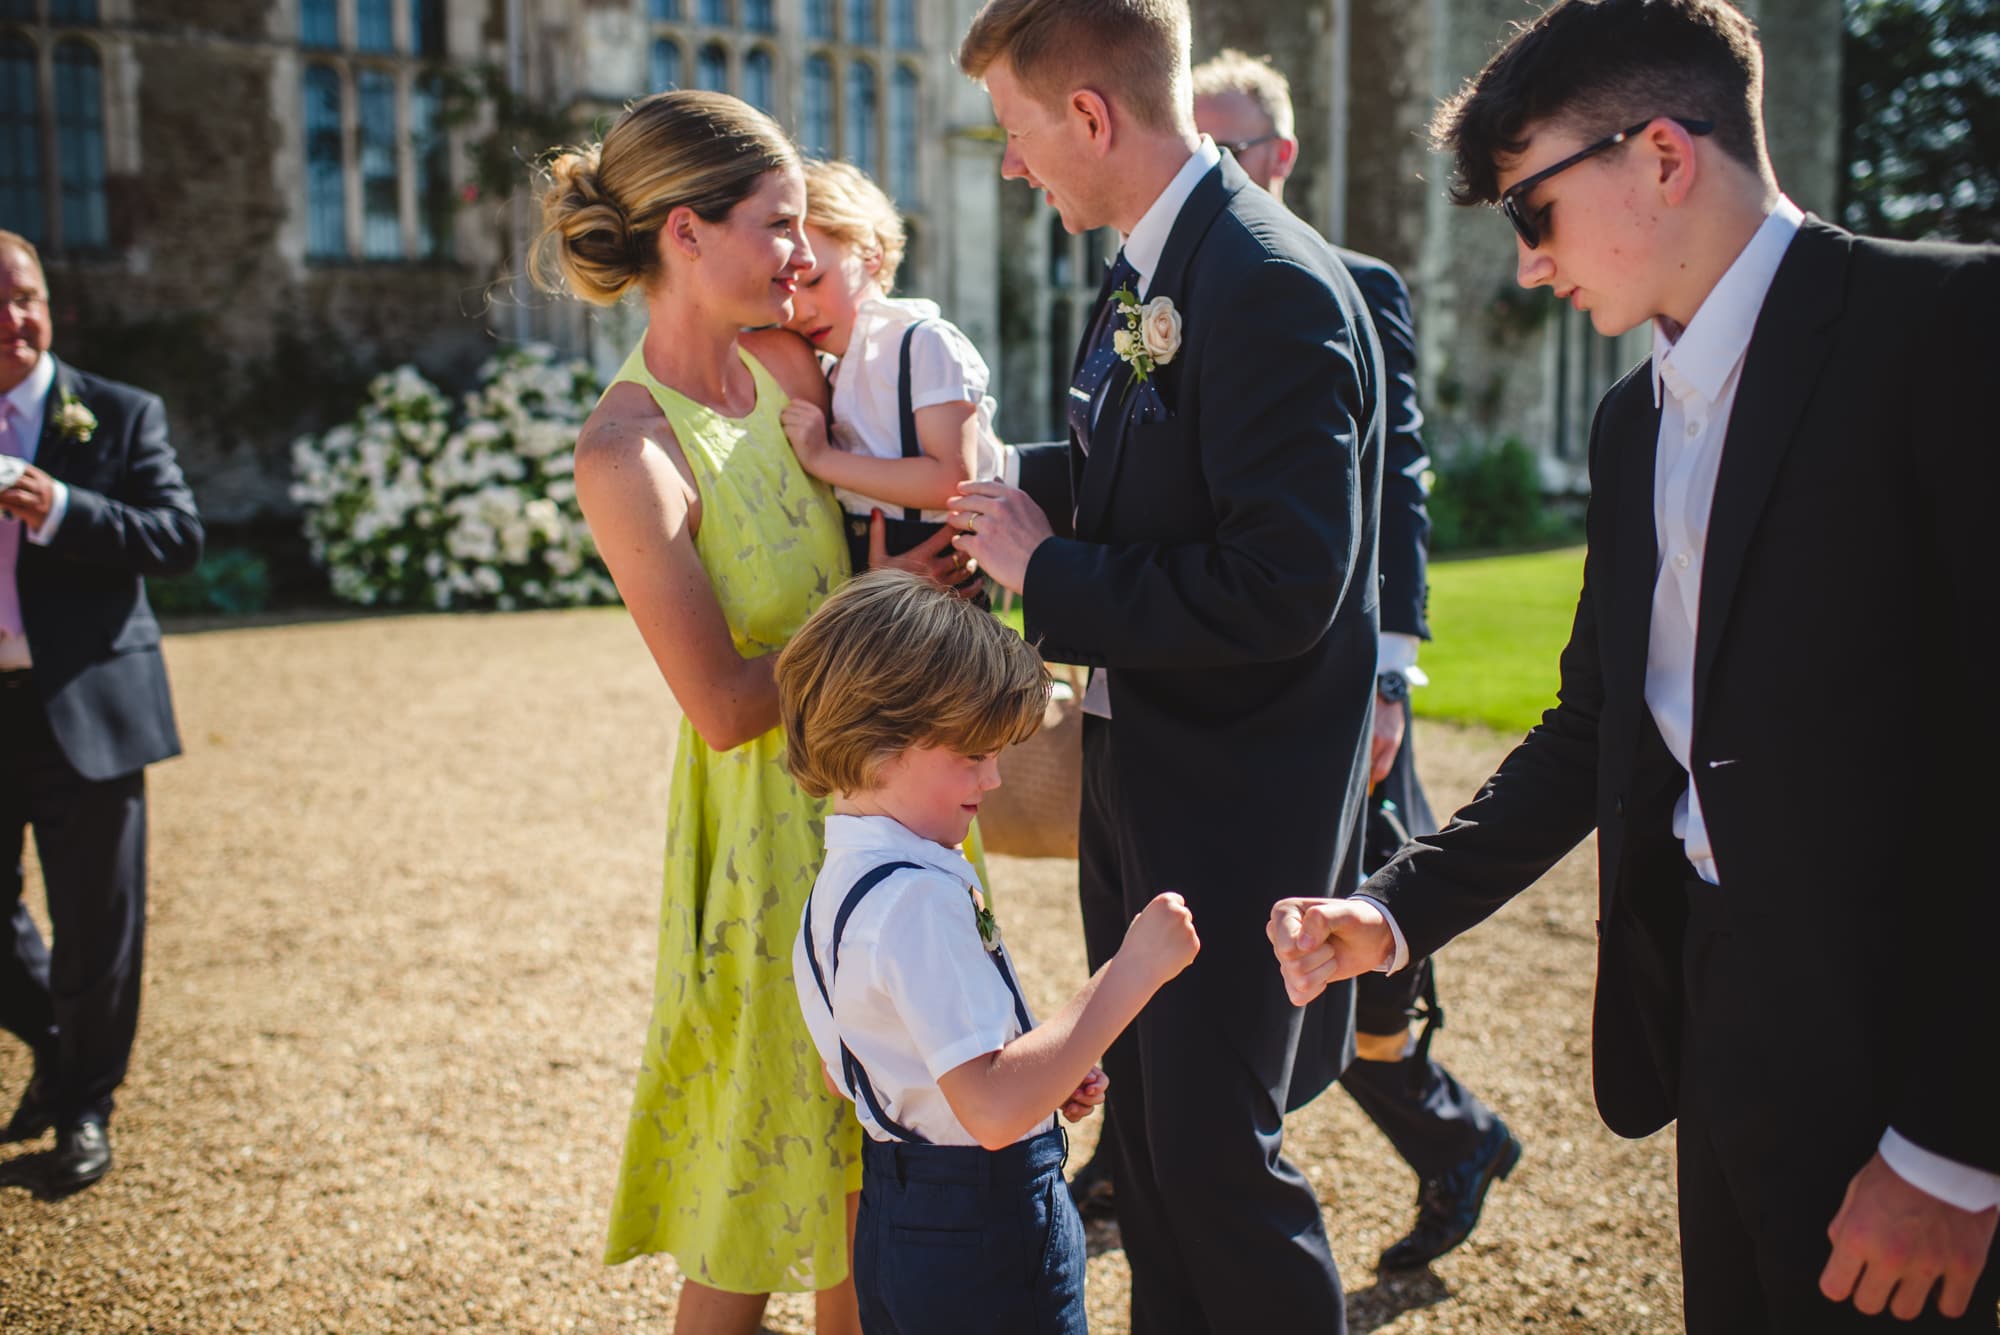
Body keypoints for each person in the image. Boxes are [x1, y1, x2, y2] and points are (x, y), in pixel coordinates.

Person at [1267, 1, 2000, 1329]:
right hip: (1712, 1001)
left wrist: (1957, 1140)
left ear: (1663, 155)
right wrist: (1396, 908)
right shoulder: (1628, 423)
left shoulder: (1949, 330)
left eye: (1530, 210)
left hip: (1903, 1040)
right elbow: (1596, 727)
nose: (1531, 265)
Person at [947, 1, 1387, 1329]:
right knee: (1148, 1142)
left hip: (1235, 798)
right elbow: (1127, 471)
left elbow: (1282, 586)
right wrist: (976, 503)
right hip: (1141, 771)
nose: (1014, 168)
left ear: (1090, 114)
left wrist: (1048, 570)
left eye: (1019, 136)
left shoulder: (1264, 283)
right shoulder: (1150, 264)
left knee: (1215, 1163)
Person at [533, 91, 955, 1335]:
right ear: (683, 233)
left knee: (874, 1178)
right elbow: (721, 704)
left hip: (898, 804)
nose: (799, 254)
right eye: (776, 226)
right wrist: (880, 612)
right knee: (758, 1173)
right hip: (771, 842)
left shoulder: (784, 370)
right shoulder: (628, 451)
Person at [1186, 48, 1522, 1272]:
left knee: (1359, 931)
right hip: (1217, 663)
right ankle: (1151, 1156)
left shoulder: (1351, 281)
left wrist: (1389, 671)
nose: (1204, 164)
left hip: (1335, 677)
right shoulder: (1157, 284)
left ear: (1276, 155)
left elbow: (1396, 485)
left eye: (1224, 145)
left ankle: (1449, 1137)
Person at [776, 568, 1200, 1335]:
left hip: (897, 1217)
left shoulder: (839, 883)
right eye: (971, 755)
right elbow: (994, 1109)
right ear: (879, 746)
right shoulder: (917, 898)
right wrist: (1129, 973)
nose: (995, 777)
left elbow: (876, 1075)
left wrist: (1048, 1066)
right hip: (986, 1232)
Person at [0, 229, 203, 1194]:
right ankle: (56, 1040)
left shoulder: (118, 414)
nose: (14, 320)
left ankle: (85, 1107)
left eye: (25, 296)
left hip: (83, 705)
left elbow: (177, 537)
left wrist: (62, 508)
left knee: (96, 926)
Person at [779, 160, 1010, 581]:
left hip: (938, 572)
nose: (800, 312)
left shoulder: (924, 342)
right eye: (788, 292)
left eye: (814, 282)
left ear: (871, 255)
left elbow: (951, 480)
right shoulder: (830, 366)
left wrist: (821, 457)